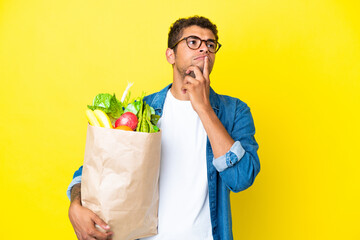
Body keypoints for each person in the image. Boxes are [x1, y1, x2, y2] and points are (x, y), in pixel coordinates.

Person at [67, 16, 260, 240]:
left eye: (210, 44)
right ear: (171, 55)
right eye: (193, 42)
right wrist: (75, 204)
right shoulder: (142, 111)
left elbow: (241, 179)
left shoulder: (234, 111)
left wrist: (205, 109)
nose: (204, 50)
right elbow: (93, 171)